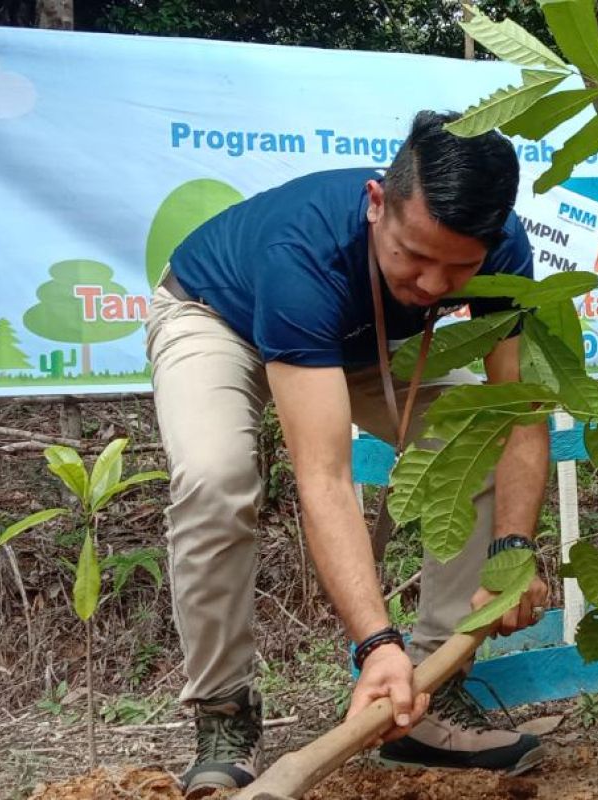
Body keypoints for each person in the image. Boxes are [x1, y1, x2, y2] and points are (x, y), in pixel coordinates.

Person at [145, 110, 551, 796]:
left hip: (358, 338)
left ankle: (427, 695)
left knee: (469, 441)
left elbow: (520, 412)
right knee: (216, 479)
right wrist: (373, 641)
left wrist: (514, 546)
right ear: (375, 205)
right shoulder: (301, 252)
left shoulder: (504, 247)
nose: (430, 287)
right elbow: (325, 476)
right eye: (412, 256)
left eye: (458, 270)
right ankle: (223, 711)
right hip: (217, 313)